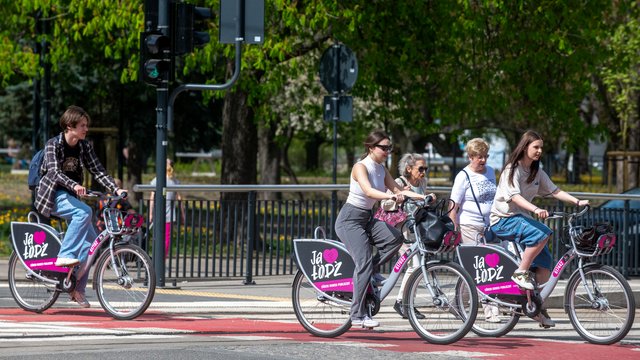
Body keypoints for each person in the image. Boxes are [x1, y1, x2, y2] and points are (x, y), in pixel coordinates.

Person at [489, 130, 589, 327]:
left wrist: (577, 202)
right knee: (543, 232)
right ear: (525, 147)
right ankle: (521, 272)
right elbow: (514, 197)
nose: (539, 151)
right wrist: (535, 209)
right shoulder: (512, 170)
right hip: (503, 219)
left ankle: (535, 305)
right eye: (536, 147)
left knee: (545, 264)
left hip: (521, 218)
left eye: (541, 147)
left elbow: (554, 190)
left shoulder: (537, 172)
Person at [335, 130, 432, 328]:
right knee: (363, 263)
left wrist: (423, 197)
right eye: (384, 148)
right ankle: (357, 315)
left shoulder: (381, 168)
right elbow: (369, 190)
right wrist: (388, 197)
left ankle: (370, 270)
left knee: (395, 239)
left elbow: (400, 190)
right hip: (350, 219)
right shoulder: (360, 167)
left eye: (390, 148)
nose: (388, 151)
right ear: (371, 148)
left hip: (368, 218)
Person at [34, 105, 126, 308]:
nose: (86, 129)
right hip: (51, 195)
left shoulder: (84, 146)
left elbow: (98, 170)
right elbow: (54, 173)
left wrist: (116, 189)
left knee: (92, 246)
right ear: (70, 126)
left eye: (86, 125)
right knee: (84, 212)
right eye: (82, 125)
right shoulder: (53, 144)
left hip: (71, 196)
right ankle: (65, 255)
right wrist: (74, 185)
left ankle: (76, 287)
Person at [449, 138, 501, 323]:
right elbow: (454, 205)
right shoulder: (463, 176)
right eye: (479, 157)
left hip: (489, 226)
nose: (483, 161)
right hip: (469, 224)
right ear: (470, 157)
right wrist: (454, 228)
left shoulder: (491, 172)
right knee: (482, 267)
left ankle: (458, 304)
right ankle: (491, 310)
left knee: (480, 268)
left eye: (485, 156)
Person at [380, 153, 435, 319]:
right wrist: (398, 197)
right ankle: (403, 303)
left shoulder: (422, 182)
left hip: (415, 231)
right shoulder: (399, 182)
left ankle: (404, 302)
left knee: (416, 266)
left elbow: (419, 203)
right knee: (414, 265)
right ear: (409, 168)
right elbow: (385, 203)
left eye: (426, 168)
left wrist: (428, 198)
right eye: (421, 168)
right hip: (398, 231)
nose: (424, 171)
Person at [149, 159, 185, 259]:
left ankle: (157, 258)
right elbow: (179, 199)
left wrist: (151, 214)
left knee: (157, 237)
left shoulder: (156, 180)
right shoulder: (175, 181)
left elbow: (152, 197)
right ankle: (162, 258)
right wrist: (183, 214)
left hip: (159, 214)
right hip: (169, 215)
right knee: (166, 238)